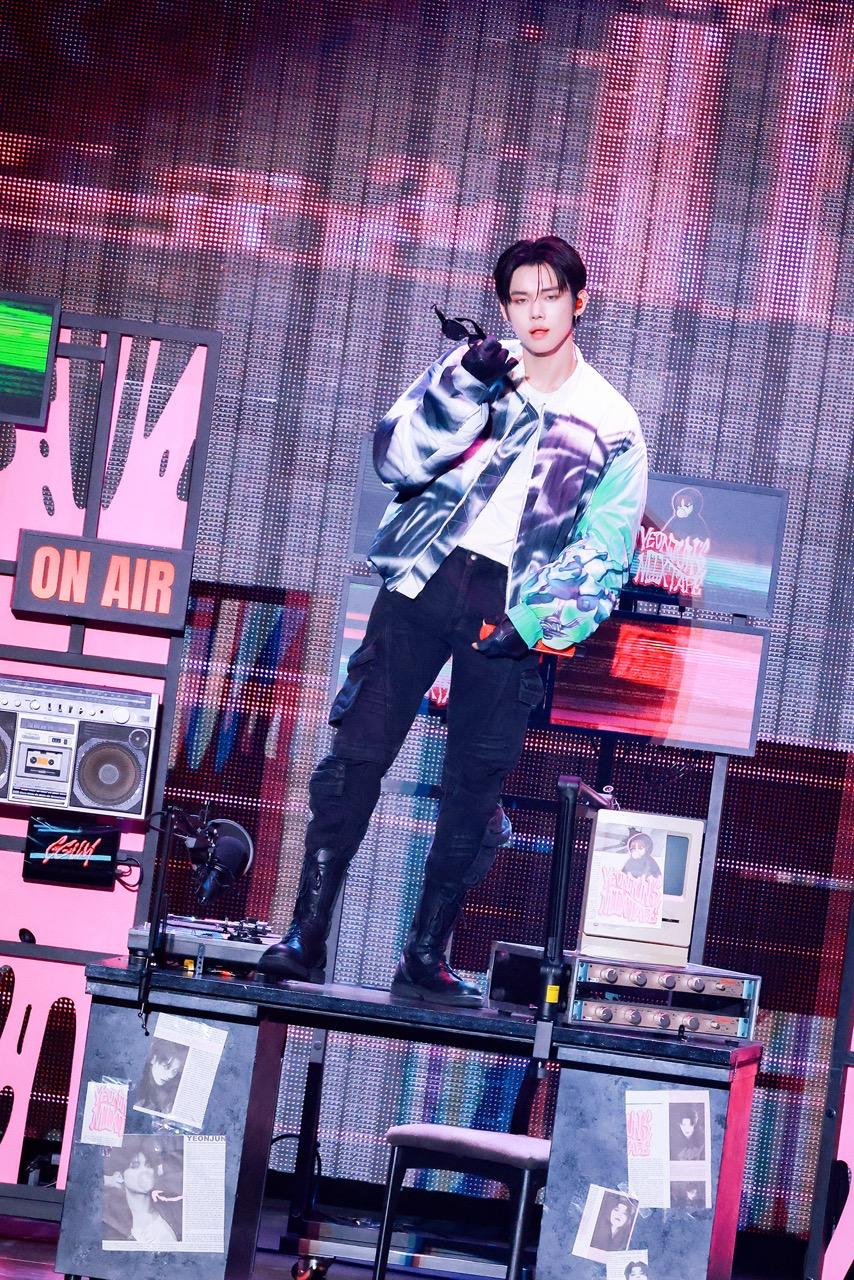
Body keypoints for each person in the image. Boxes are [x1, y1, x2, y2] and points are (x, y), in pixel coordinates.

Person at [259, 235, 647, 1005]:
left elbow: (607, 546)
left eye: (550, 295)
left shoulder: (612, 420)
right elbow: (395, 461)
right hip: (425, 578)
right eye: (520, 298)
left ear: (579, 300)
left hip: (511, 603)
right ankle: (305, 935)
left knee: (474, 786)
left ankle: (425, 957)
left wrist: (535, 624)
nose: (536, 313)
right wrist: (465, 387)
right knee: (355, 757)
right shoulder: (470, 371)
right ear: (504, 306)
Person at [102, 1137, 182, 1246]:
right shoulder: (111, 1225)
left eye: (148, 1165)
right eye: (135, 1166)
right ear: (120, 1176)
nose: (144, 1171)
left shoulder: (174, 1212)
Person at [131, 1040, 187, 1115]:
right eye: (166, 1066)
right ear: (153, 1058)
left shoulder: (174, 1086)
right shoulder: (137, 1088)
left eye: (175, 1070)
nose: (170, 1075)